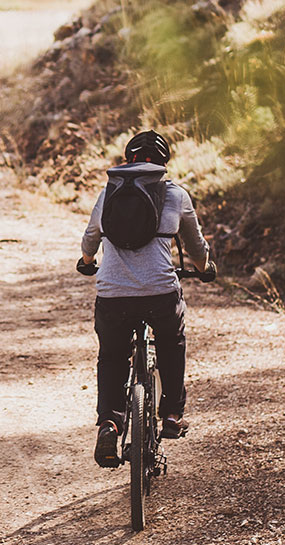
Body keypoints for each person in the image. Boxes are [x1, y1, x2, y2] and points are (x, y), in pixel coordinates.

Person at [78, 130, 212, 468]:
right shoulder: (174, 194)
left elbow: (91, 237)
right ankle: (170, 414)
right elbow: (195, 245)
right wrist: (204, 267)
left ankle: (109, 422)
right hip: (160, 292)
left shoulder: (109, 192)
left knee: (111, 356)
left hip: (113, 294)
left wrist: (88, 262)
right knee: (171, 341)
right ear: (164, 162)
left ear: (128, 159)